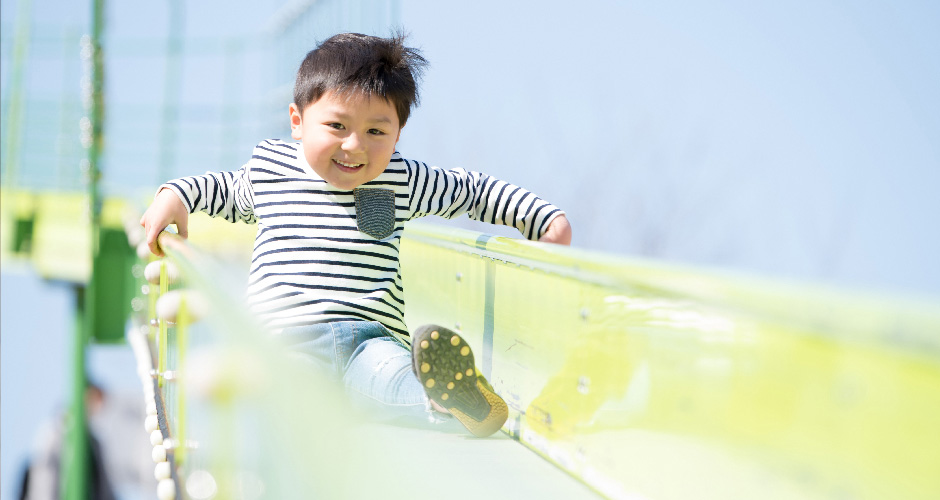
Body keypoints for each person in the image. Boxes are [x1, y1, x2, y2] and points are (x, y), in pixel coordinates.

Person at [139, 32, 572, 437]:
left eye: (376, 131)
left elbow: (470, 189)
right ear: (297, 121)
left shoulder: (401, 178)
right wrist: (175, 194)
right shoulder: (273, 169)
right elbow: (225, 190)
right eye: (336, 127)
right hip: (290, 339)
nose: (355, 146)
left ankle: (454, 401)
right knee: (293, 389)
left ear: (398, 134)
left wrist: (541, 219)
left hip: (373, 338)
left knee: (394, 383)